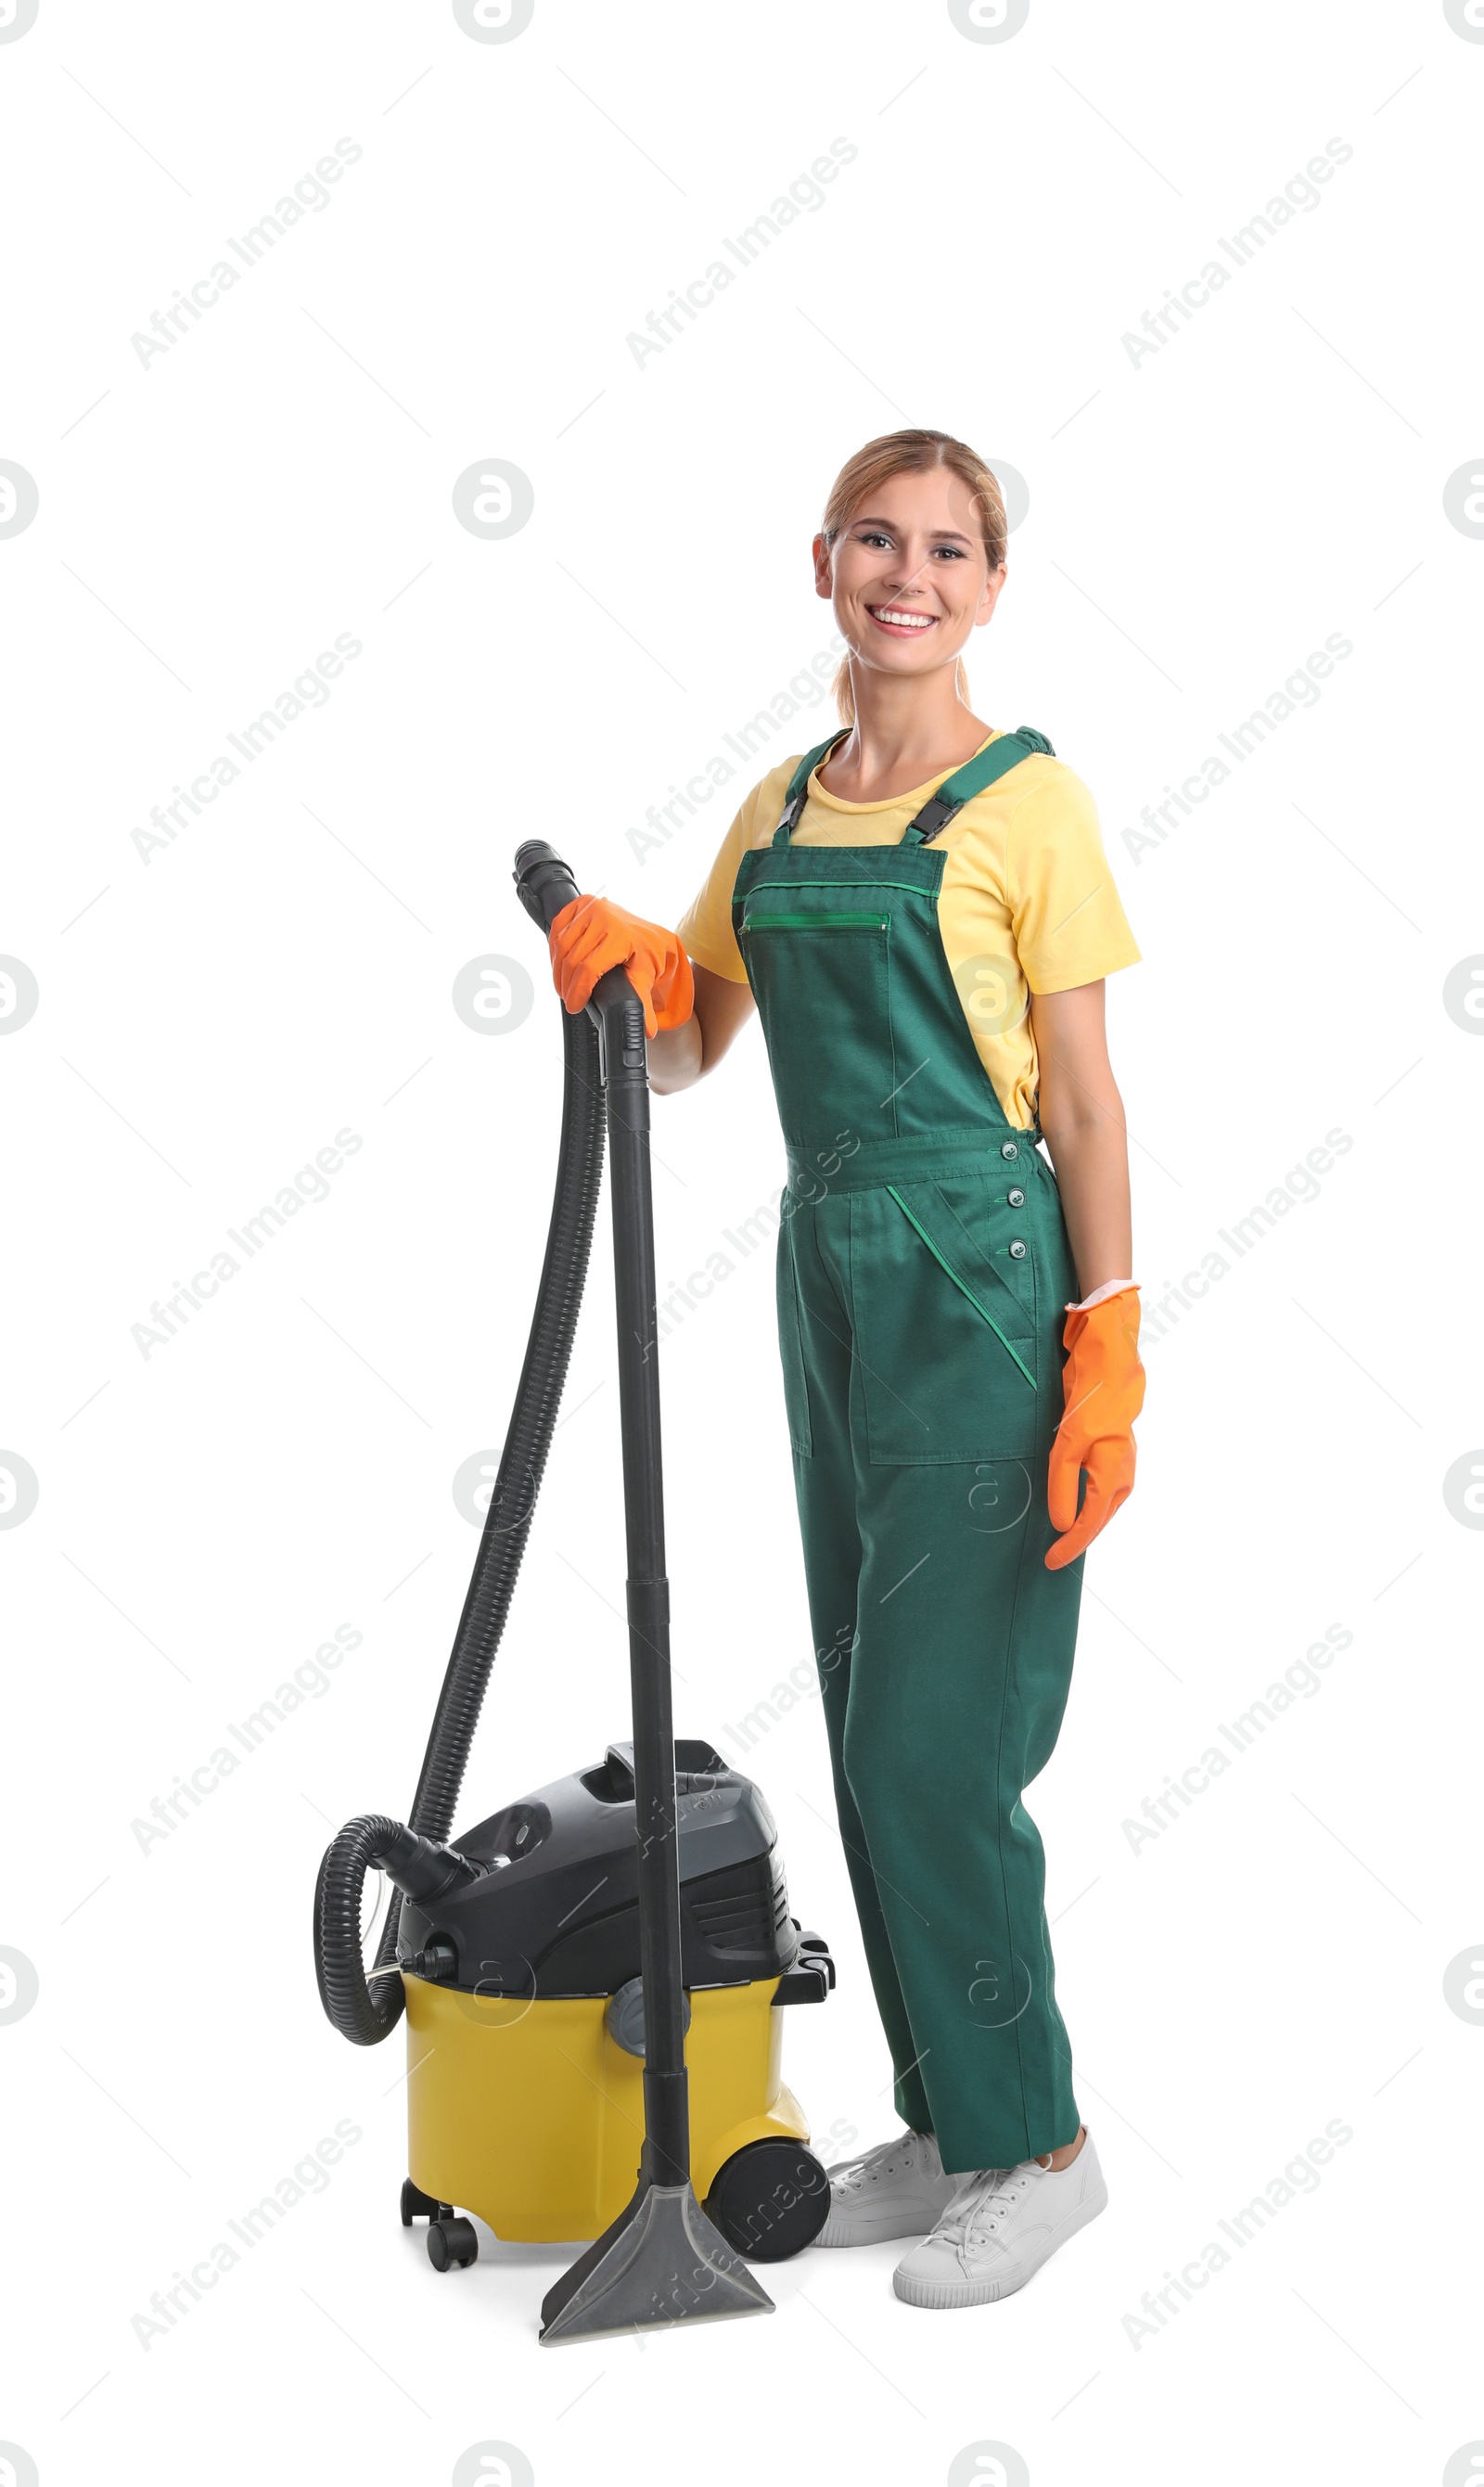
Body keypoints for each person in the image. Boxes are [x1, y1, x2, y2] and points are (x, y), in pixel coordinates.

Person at [546, 428, 1145, 2311]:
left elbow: (1077, 1090)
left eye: (948, 548)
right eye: (875, 541)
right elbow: (690, 1049)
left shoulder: (1026, 804)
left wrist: (1107, 1342)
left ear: (988, 585)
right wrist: (618, 969)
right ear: (822, 565)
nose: (910, 574)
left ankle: (1042, 2147)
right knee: (858, 1719)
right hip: (828, 1268)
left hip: (977, 1268)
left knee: (930, 1743)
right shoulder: (781, 810)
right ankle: (951, 2120)